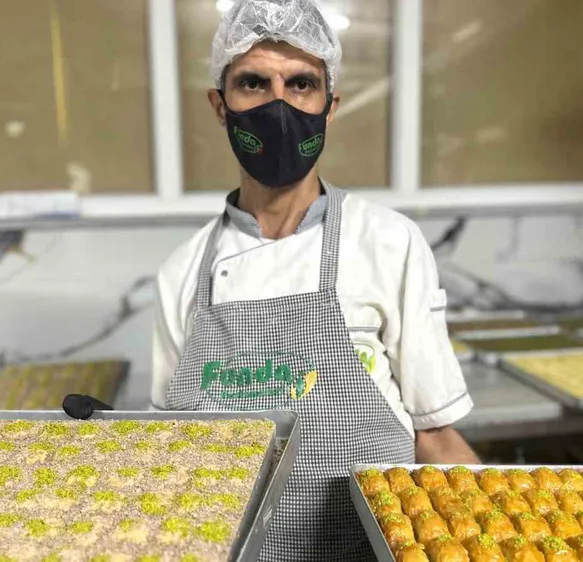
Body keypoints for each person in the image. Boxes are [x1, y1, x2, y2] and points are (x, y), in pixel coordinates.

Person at [152, 0, 479, 558]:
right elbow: (168, 453)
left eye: (301, 84)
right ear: (220, 105)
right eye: (253, 83)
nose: (278, 104)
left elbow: (435, 436)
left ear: (329, 106)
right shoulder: (182, 272)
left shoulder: (386, 242)